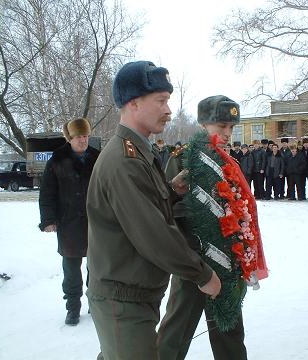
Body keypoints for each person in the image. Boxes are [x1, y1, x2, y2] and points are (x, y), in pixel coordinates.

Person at [86, 61, 221, 360]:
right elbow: (154, 234)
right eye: (161, 101)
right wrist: (202, 274)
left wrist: (171, 192)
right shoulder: (125, 160)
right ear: (133, 103)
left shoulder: (139, 152)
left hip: (132, 293)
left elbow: (145, 210)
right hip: (122, 299)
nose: (169, 110)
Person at [157, 95, 267, 360]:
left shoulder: (227, 160)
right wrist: (195, 262)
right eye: (222, 126)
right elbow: (174, 212)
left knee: (229, 330)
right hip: (195, 263)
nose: (228, 133)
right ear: (204, 124)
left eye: (231, 127)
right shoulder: (185, 158)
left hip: (228, 262)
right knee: (176, 330)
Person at [38, 117, 100, 326]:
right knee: (71, 268)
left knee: (97, 265)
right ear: (70, 138)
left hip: (96, 223)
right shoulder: (57, 159)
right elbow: (47, 192)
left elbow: (108, 189)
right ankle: (73, 307)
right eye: (78, 137)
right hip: (69, 223)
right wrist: (48, 219)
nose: (83, 140)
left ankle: (95, 302)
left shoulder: (97, 158)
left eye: (85, 136)